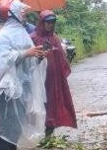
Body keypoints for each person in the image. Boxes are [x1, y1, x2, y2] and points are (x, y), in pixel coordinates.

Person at [0, 0, 48, 150]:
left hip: (21, 86)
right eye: (22, 11)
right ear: (11, 13)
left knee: (15, 124)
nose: (25, 14)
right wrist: (25, 53)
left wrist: (37, 57)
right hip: (7, 88)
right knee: (4, 121)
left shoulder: (21, 33)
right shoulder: (4, 34)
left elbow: (27, 61)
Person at [30, 10, 77, 141]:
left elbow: (62, 58)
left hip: (53, 78)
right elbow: (28, 59)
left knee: (52, 103)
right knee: (39, 103)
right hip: (38, 78)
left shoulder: (54, 38)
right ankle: (37, 132)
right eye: (48, 22)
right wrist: (39, 56)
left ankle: (48, 133)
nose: (50, 25)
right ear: (42, 23)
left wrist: (55, 52)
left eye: (52, 22)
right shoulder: (33, 38)